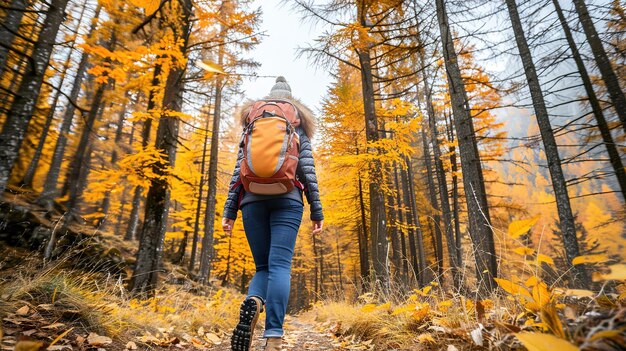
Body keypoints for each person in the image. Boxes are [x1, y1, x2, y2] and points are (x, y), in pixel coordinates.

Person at [222, 76, 324, 351]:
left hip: (252, 199)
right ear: (291, 101)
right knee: (279, 266)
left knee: (262, 267)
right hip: (288, 198)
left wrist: (229, 211)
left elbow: (238, 169)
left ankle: (254, 301)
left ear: (269, 98)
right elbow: (307, 170)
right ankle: (274, 336)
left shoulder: (252, 125)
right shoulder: (296, 125)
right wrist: (316, 210)